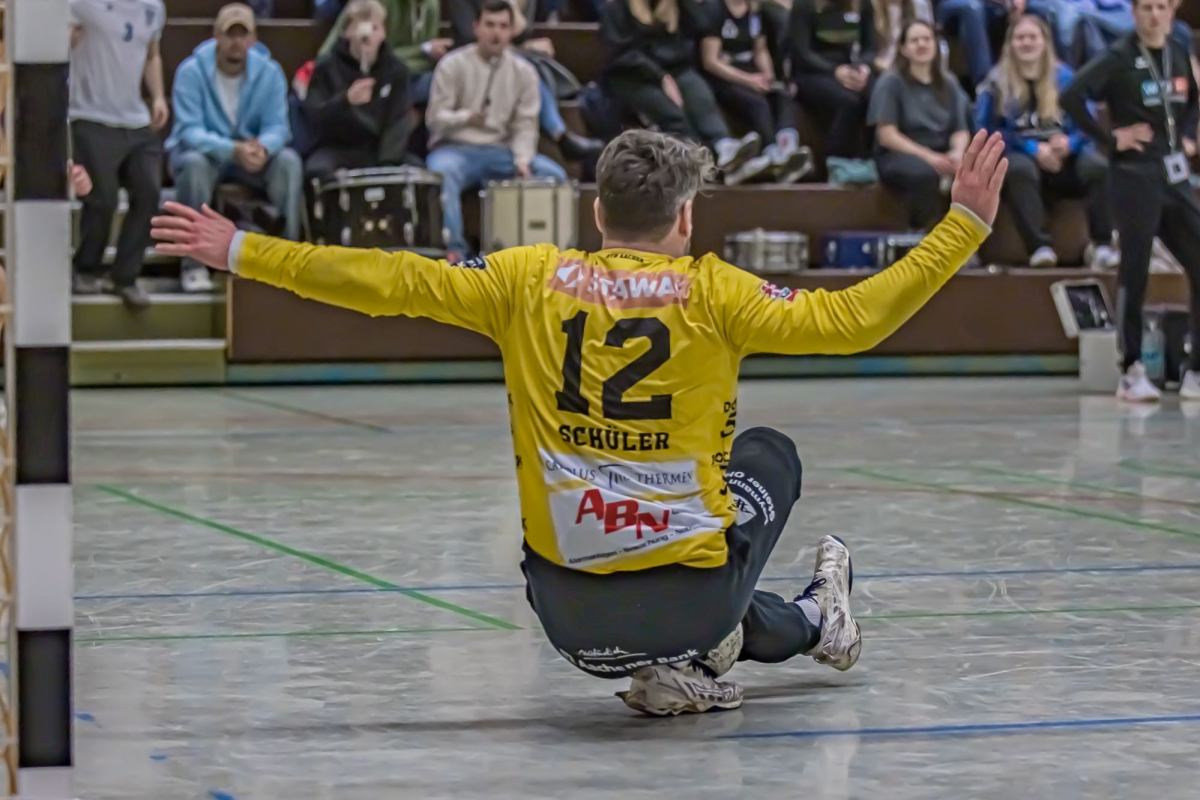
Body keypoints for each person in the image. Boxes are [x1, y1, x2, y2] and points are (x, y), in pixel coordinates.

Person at [151, 126, 1010, 716]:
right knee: (769, 455)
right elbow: (854, 319)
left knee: (669, 562)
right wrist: (963, 225)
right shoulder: (715, 292)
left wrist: (242, 249)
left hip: (568, 623)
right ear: (686, 217)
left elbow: (387, 281)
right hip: (691, 600)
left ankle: (757, 640)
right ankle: (768, 634)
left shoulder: (524, 279)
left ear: (597, 214)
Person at [1062, 0, 1200, 402]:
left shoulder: (1177, 50)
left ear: (1172, 11)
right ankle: (1132, 368)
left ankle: (1194, 369)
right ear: (1135, 12)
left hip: (1173, 175)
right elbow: (1072, 96)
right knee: (1135, 269)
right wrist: (1110, 138)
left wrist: (1186, 136)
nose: (1154, 16)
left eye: (1161, 7)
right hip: (1134, 176)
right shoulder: (1118, 56)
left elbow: (1192, 98)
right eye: (1146, 8)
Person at [166, 3, 303, 293]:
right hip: (205, 155)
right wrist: (232, 149)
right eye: (230, 34)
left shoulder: (270, 72)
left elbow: (279, 127)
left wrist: (263, 148)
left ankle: (286, 259)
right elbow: (189, 131)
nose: (236, 42)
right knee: (193, 164)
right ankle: (193, 265)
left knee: (288, 162)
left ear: (254, 39)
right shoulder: (191, 71)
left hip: (250, 157)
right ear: (216, 35)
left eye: (243, 35)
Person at [426, 0, 568, 259]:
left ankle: (547, 256)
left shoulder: (524, 72)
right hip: (455, 148)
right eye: (490, 25)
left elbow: (526, 124)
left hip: (501, 150)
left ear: (511, 31)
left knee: (554, 176)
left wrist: (522, 159)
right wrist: (466, 118)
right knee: (441, 173)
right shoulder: (452, 64)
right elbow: (435, 119)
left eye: (503, 26)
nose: (496, 33)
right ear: (476, 27)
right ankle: (455, 252)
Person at [976, 14, 1117, 267]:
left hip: (1065, 160)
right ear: (1010, 44)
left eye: (1033, 37)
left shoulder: (1066, 78)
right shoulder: (996, 82)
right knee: (1018, 168)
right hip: (1021, 160)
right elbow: (988, 130)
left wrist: (1070, 144)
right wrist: (1033, 148)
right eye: (1020, 38)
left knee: (1098, 167)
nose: (1026, 43)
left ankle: (1102, 245)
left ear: (1045, 42)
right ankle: (1039, 248)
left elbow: (1088, 124)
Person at [68, 0, 169, 308]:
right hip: (90, 115)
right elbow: (59, 43)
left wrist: (158, 96)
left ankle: (125, 277)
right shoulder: (81, 3)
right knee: (103, 199)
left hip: (135, 118)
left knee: (149, 192)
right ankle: (85, 269)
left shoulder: (154, 6)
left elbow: (151, 54)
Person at [601, 0, 761, 175]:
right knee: (673, 113)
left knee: (699, 94)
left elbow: (702, 23)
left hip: (675, 70)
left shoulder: (677, 6)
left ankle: (724, 146)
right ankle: (700, 165)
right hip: (633, 77)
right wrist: (660, 76)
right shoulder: (616, 7)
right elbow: (622, 55)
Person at [447, 0, 605, 162]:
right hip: (471, 61)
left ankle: (557, 135)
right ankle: (559, 134)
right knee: (529, 65)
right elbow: (471, 37)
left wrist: (510, 5)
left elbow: (521, 32)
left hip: (509, 59)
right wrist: (520, 48)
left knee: (531, 65)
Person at [870, 20, 972, 229]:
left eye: (927, 39)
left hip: (941, 151)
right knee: (924, 174)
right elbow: (887, 135)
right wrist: (929, 157)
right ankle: (925, 234)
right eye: (914, 40)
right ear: (904, 49)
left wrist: (957, 153)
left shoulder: (949, 82)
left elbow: (960, 129)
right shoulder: (890, 83)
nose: (922, 44)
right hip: (901, 154)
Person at [699, 0, 814, 183]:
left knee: (781, 96)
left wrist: (768, 76)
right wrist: (748, 80)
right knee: (758, 103)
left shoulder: (756, 12)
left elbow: (760, 51)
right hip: (724, 78)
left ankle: (788, 149)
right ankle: (771, 153)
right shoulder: (715, 10)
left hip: (751, 72)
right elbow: (710, 61)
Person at [304, 0, 412, 182]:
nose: (367, 36)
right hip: (337, 149)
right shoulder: (326, 67)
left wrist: (387, 165)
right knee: (318, 170)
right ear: (348, 31)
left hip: (378, 150)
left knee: (416, 172)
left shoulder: (397, 70)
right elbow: (315, 116)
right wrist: (345, 100)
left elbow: (397, 121)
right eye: (360, 28)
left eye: (375, 28)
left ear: (384, 33)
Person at [788, 0, 877, 160]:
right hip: (812, 72)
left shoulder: (862, 3)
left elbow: (870, 47)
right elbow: (802, 52)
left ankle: (872, 158)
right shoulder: (804, 4)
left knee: (878, 94)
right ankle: (836, 161)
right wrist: (834, 71)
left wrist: (864, 67)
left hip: (849, 67)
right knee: (849, 102)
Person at [318, 0, 453, 104]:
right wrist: (423, 50)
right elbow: (375, 56)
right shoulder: (377, 4)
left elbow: (426, 57)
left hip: (410, 74)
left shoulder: (431, 4)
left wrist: (430, 52)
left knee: (448, 80)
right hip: (370, 78)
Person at [872, 0, 934, 72]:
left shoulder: (919, 5)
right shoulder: (872, 6)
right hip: (880, 65)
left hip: (909, 65)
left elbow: (929, 37)